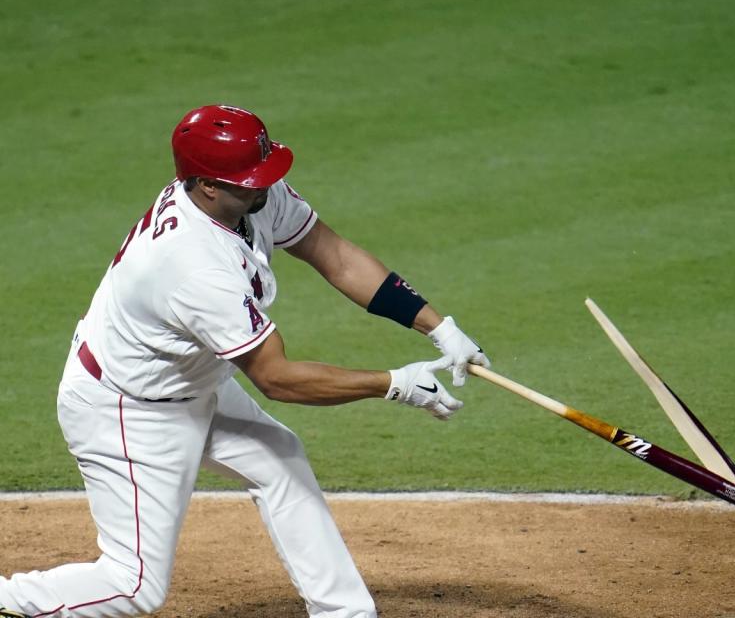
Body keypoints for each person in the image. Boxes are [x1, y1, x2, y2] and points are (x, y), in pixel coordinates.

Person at [0, 104, 490, 618]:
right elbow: (277, 378)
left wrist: (439, 327)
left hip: (191, 380)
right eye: (251, 179)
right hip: (129, 410)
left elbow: (333, 253)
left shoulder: (244, 196)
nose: (266, 186)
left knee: (279, 459)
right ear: (207, 185)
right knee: (132, 586)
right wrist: (393, 383)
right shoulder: (192, 264)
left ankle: (345, 613)